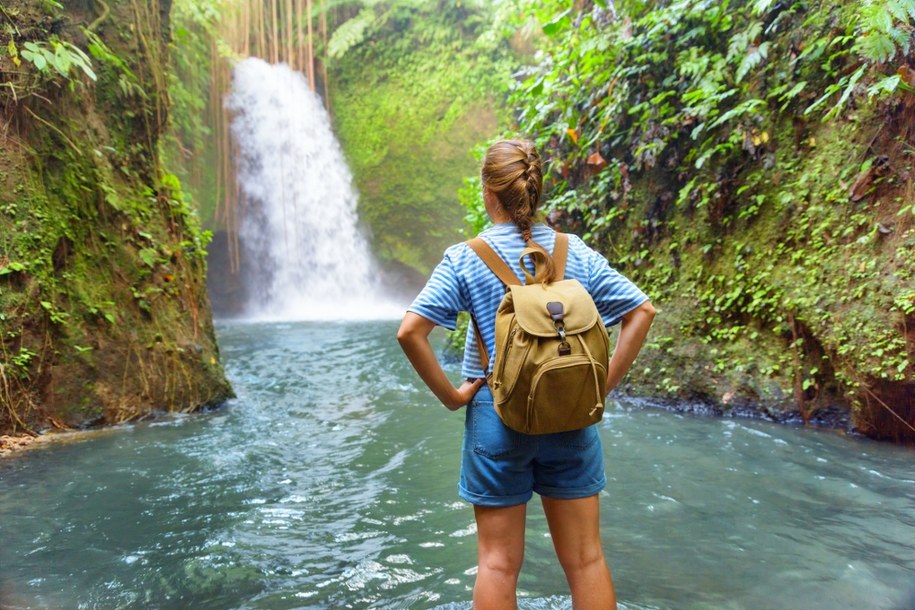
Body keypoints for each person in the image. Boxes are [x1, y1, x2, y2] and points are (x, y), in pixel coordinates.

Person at [397, 139, 656, 609]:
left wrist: (452, 397)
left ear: (487, 192)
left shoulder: (465, 257)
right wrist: (600, 386)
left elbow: (411, 332)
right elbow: (642, 311)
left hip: (496, 415)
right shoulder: (570, 249)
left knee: (497, 562)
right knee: (586, 560)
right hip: (572, 413)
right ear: (535, 193)